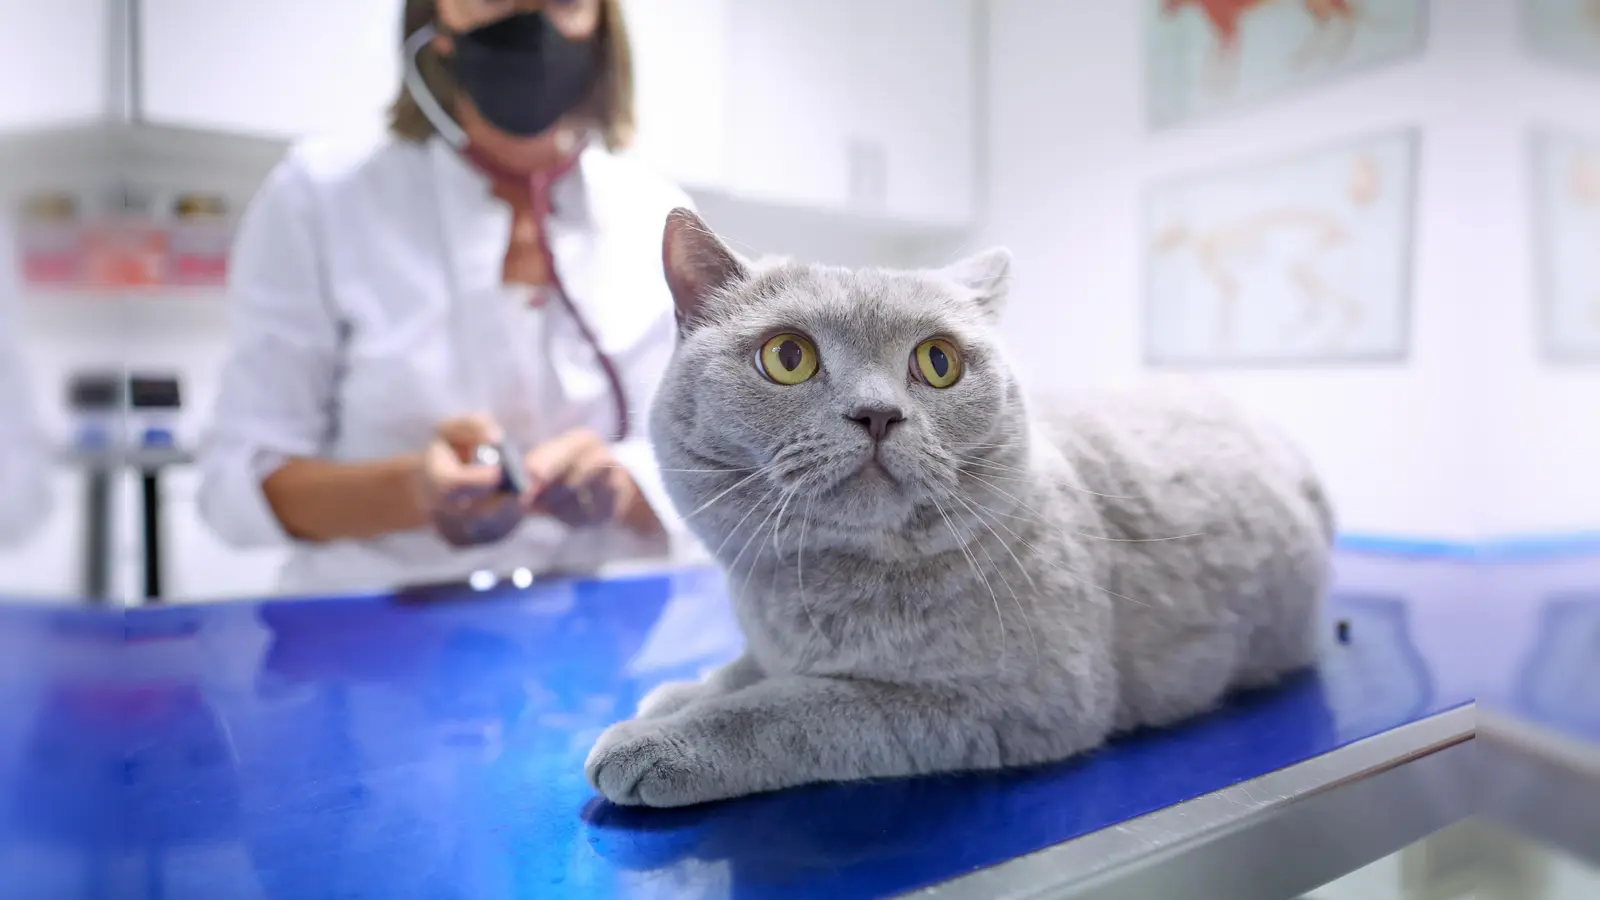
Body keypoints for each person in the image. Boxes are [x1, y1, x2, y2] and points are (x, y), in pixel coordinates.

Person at [198, 0, 700, 595]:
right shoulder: (318, 199)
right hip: (371, 646)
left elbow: (717, 466)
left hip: (593, 637)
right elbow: (234, 487)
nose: (530, 18)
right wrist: (412, 492)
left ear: (600, 24)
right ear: (433, 25)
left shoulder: (658, 218)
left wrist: (622, 484)